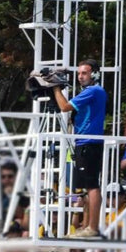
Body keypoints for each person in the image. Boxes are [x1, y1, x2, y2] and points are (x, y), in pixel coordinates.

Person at [51, 58, 107, 238]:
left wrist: (55, 87)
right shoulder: (90, 91)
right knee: (85, 189)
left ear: (95, 74)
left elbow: (65, 107)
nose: (80, 77)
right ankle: (86, 226)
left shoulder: (93, 90)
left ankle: (93, 227)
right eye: (78, 74)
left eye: (84, 73)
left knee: (92, 186)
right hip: (84, 143)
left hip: (89, 143)